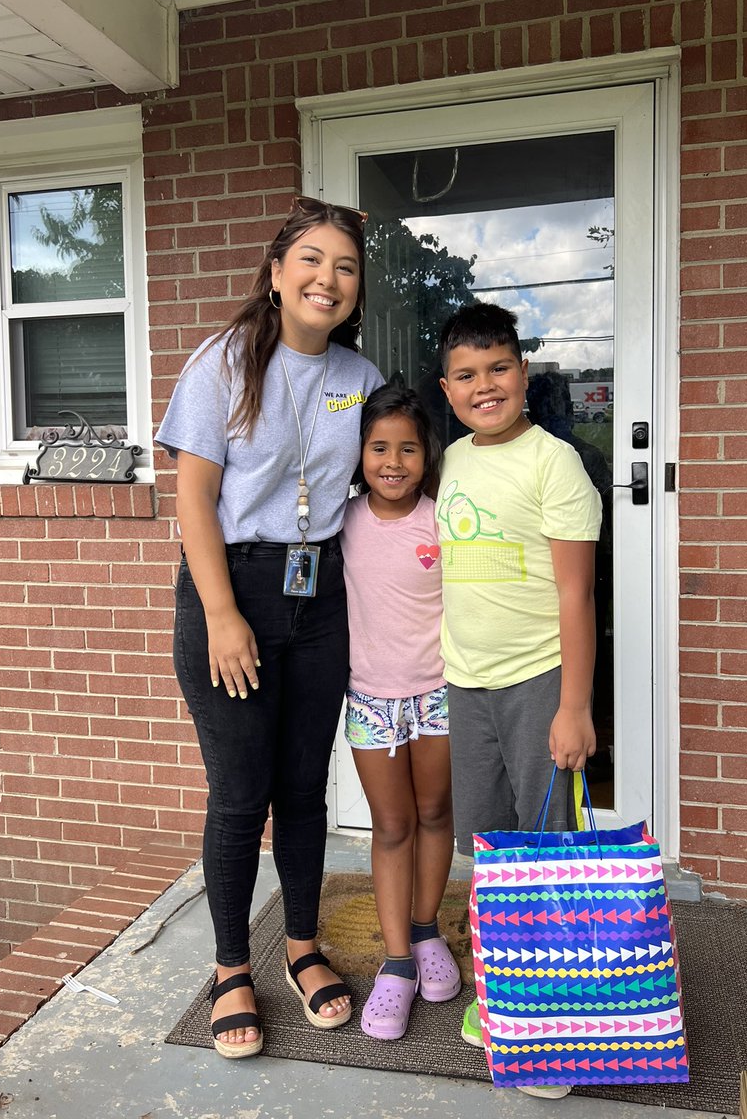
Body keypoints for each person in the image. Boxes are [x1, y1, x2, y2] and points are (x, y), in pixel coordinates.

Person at [156, 197, 383, 1059]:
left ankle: (300, 947)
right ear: (279, 271)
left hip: (320, 594)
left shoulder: (358, 378)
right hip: (235, 589)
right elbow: (193, 496)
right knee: (239, 794)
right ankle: (229, 968)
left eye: (346, 267)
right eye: (313, 261)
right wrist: (222, 615)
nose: (329, 279)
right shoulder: (222, 362)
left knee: (302, 787)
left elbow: (387, 477)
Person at [436, 303, 602, 1101]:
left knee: (548, 851)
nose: (485, 386)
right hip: (466, 684)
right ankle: (502, 992)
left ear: (523, 373)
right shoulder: (450, 462)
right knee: (489, 849)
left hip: (538, 682)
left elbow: (577, 596)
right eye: (466, 375)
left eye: (498, 368)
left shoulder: (553, 463)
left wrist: (575, 708)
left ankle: (554, 1023)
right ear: (446, 389)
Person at [340, 383, 460, 1041]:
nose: (393, 462)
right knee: (392, 827)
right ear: (359, 453)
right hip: (371, 699)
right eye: (379, 447)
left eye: (408, 448)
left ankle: (424, 929)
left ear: (426, 453)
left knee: (435, 813)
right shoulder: (341, 521)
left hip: (439, 695)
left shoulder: (443, 520)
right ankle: (396, 963)